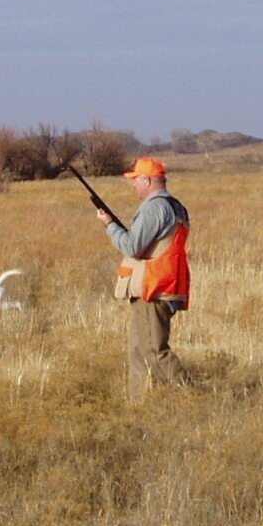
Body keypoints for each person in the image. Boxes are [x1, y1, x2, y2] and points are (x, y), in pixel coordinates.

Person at [95, 156, 194, 399]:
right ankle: (139, 405)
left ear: (148, 181)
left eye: (136, 180)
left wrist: (110, 225)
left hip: (153, 287)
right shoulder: (175, 206)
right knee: (138, 352)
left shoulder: (155, 208)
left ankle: (194, 398)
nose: (134, 186)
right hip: (163, 284)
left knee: (152, 350)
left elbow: (132, 246)